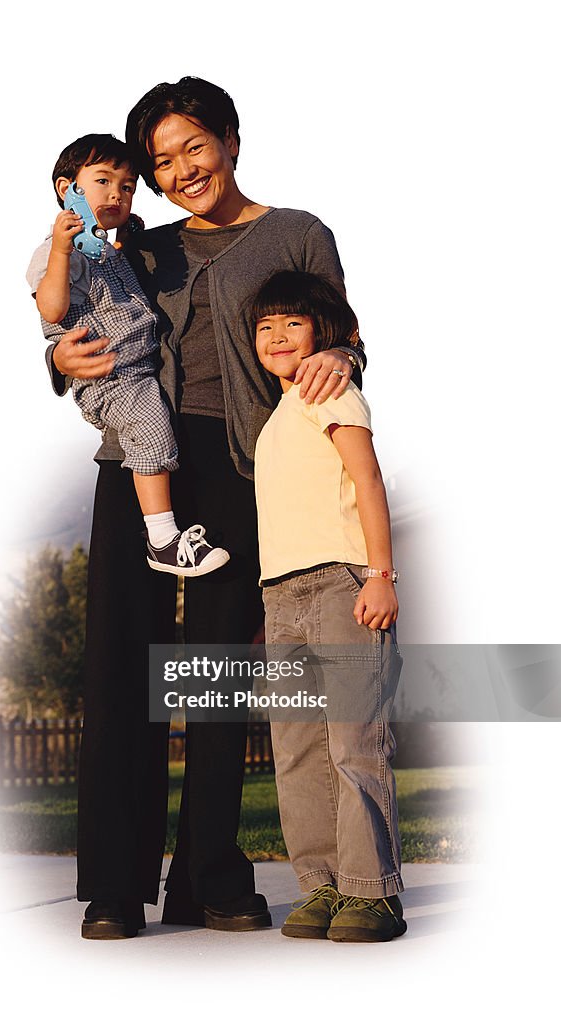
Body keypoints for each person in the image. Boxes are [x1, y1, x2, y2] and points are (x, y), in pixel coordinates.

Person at [46, 78, 366, 940]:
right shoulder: (139, 248)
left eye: (194, 146)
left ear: (229, 139)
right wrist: (61, 362)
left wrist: (340, 353)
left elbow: (340, 335)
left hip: (240, 467)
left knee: (216, 674)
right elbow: (77, 324)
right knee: (123, 667)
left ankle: (209, 880)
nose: (181, 169)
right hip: (136, 466)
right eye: (160, 160)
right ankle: (114, 885)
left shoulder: (297, 233)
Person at [252, 270, 406, 942]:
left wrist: (380, 574)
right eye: (264, 326)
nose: (277, 336)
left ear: (323, 333)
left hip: (343, 582)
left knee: (352, 744)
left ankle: (372, 894)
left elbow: (367, 480)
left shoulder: (329, 390)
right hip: (281, 593)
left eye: (292, 322)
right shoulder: (276, 418)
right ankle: (321, 886)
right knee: (297, 750)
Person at [27, 133, 229, 577]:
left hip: (140, 367)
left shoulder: (106, 250)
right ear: (69, 190)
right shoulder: (59, 254)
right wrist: (61, 250)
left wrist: (130, 235)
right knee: (152, 429)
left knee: (161, 425)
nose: (117, 194)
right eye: (103, 182)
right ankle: (162, 538)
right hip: (109, 375)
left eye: (128, 185)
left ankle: (168, 529)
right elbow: (52, 306)